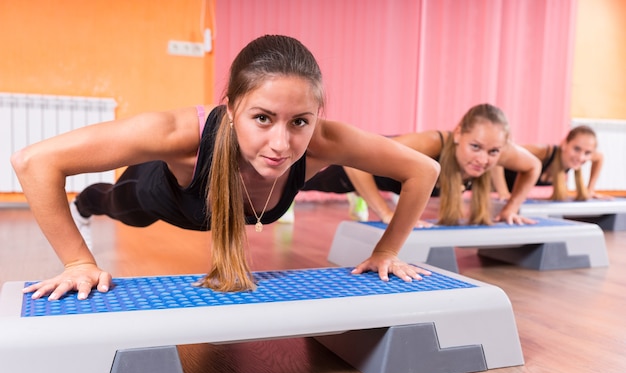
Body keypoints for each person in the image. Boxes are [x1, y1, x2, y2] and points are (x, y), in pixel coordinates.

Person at [11, 34, 440, 301]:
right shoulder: (178, 134)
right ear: (232, 108)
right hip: (157, 197)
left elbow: (423, 170)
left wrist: (387, 250)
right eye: (263, 118)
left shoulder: (327, 142)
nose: (281, 144)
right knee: (113, 203)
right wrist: (76, 264)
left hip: (212, 205)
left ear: (316, 116)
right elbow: (33, 162)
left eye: (300, 122)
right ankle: (92, 204)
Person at [302, 103, 541, 226]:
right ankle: (358, 192)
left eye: (493, 152)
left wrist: (511, 208)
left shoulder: (501, 151)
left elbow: (533, 167)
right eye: (475, 147)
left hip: (388, 174)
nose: (483, 159)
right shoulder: (431, 143)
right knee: (297, 182)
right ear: (458, 134)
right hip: (361, 165)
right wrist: (385, 212)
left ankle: (359, 194)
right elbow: (353, 163)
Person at [491, 125, 608, 201]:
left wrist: (590, 189)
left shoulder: (580, 158)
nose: (581, 157)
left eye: (587, 153)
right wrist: (503, 192)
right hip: (485, 177)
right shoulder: (542, 152)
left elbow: (599, 158)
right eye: (576, 149)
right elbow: (498, 152)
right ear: (564, 144)